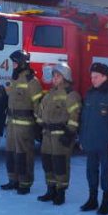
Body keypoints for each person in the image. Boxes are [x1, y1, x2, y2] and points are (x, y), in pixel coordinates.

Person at [79, 62, 108, 215]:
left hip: (105, 143)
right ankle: (92, 199)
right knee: (90, 171)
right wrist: (82, 139)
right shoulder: (90, 94)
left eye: (96, 77)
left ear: (105, 77)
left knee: (106, 172)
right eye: (92, 77)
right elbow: (84, 119)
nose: (93, 80)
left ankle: (106, 202)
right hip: (90, 141)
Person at [35, 61, 81, 206]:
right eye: (54, 76)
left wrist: (69, 134)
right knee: (47, 163)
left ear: (65, 77)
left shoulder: (71, 95)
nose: (54, 78)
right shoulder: (49, 94)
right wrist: (39, 125)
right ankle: (51, 190)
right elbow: (40, 112)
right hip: (47, 135)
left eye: (58, 76)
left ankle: (60, 193)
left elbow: (75, 116)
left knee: (60, 164)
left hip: (61, 136)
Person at [2, 50, 43, 195]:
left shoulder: (32, 81)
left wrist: (40, 124)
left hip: (24, 125)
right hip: (12, 124)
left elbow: (38, 104)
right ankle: (13, 180)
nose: (13, 65)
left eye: (15, 62)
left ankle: (25, 183)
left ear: (22, 63)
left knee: (24, 154)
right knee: (11, 153)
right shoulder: (15, 79)